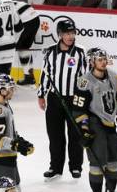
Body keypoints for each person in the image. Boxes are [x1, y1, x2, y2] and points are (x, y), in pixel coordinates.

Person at [72, 47, 117, 192]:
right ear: (91, 62)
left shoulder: (113, 75)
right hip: (94, 122)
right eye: (99, 59)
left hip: (110, 123)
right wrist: (84, 129)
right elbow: (78, 108)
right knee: (98, 164)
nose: (103, 62)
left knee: (116, 159)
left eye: (104, 59)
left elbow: (116, 97)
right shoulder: (84, 81)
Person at [36, 18, 87, 180]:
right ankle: (56, 167)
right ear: (59, 35)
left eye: (72, 33)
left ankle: (76, 167)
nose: (71, 36)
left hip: (75, 100)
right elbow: (46, 74)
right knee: (55, 136)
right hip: (55, 99)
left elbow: (86, 77)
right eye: (67, 33)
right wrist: (41, 94)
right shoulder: (50, 52)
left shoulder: (80, 52)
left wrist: (85, 99)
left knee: (76, 135)